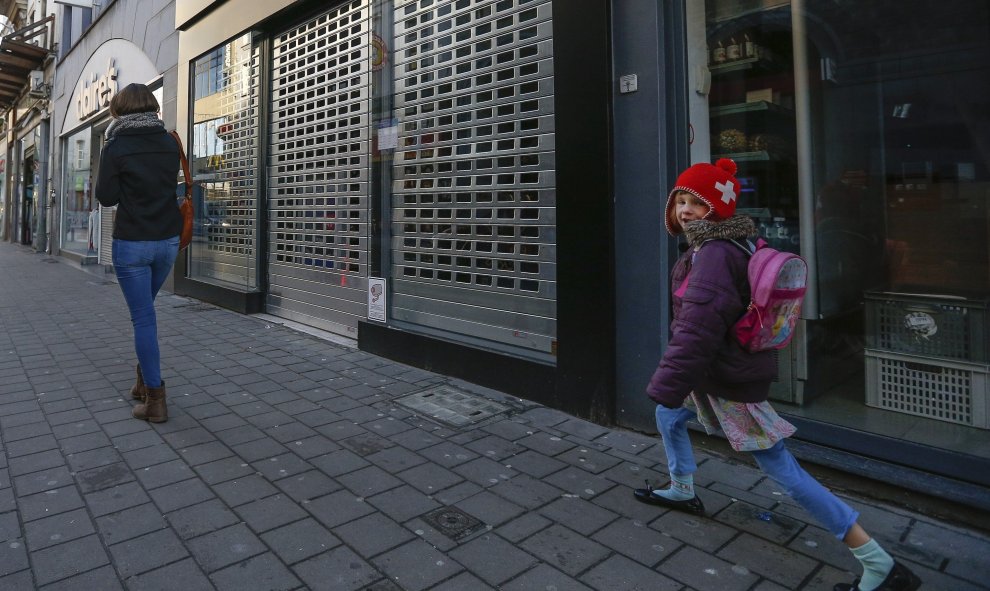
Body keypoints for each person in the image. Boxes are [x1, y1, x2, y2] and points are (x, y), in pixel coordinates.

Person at [634, 159, 921, 591]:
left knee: (781, 467)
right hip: (713, 371)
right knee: (670, 418)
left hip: (726, 376)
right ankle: (681, 487)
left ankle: (877, 562)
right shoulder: (733, 243)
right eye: (680, 201)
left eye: (697, 203)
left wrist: (668, 383)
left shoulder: (713, 253)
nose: (685, 211)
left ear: (718, 210)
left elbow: (698, 328)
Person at [95, 83, 182, 423]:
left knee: (143, 318)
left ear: (120, 110)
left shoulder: (115, 147)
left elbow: (106, 197)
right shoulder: (169, 142)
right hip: (168, 242)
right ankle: (143, 380)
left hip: (133, 242)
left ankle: (155, 400)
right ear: (152, 107)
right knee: (146, 311)